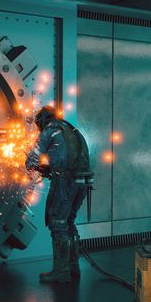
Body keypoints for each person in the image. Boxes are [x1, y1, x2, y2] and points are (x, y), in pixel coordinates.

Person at [25, 106, 93, 283]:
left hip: (66, 182)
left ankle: (60, 272)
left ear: (42, 121)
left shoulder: (50, 130)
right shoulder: (71, 129)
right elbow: (70, 158)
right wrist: (50, 168)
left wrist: (28, 166)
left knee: (57, 223)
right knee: (69, 221)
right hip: (84, 182)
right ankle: (73, 267)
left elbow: (33, 158)